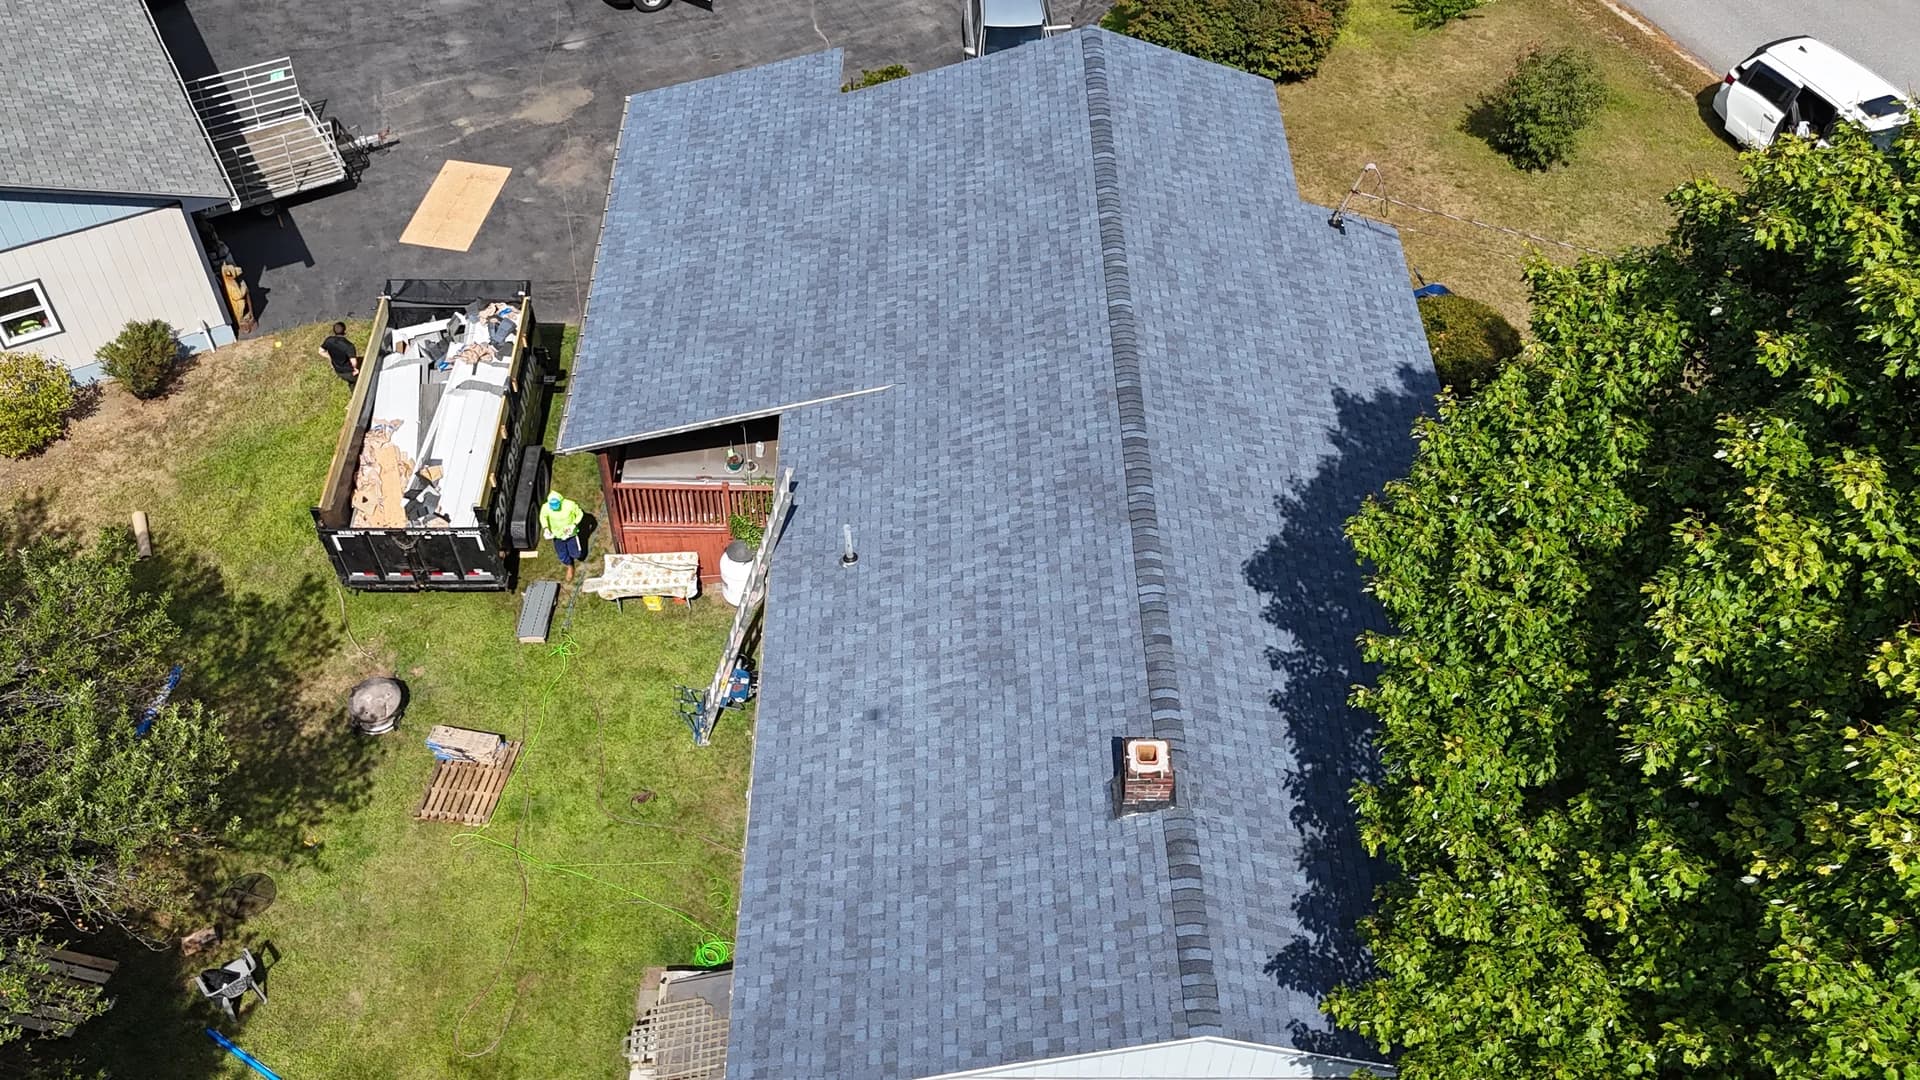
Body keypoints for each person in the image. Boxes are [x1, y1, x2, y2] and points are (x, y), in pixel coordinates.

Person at [539, 490, 585, 583]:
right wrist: (546, 528)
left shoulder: (570, 505)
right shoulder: (546, 507)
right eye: (552, 505)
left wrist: (573, 525)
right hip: (557, 535)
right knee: (562, 555)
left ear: (560, 501)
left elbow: (580, 513)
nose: (554, 507)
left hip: (570, 534)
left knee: (577, 554)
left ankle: (573, 554)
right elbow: (542, 517)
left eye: (556, 504)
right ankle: (570, 566)